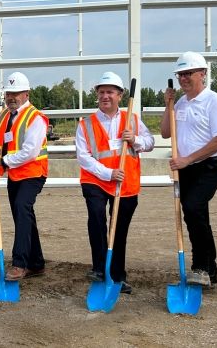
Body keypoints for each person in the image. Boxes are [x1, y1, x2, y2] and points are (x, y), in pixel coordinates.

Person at [75, 71, 155, 294]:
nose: (105, 96)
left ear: (120, 95)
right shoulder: (86, 124)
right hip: (96, 181)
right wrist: (107, 173)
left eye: (110, 92)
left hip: (125, 184)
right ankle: (100, 269)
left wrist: (135, 140)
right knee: (97, 218)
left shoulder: (133, 121)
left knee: (118, 230)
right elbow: (83, 157)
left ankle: (118, 276)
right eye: (101, 92)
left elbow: (150, 142)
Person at [161, 51, 217, 287]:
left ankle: (202, 266)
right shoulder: (180, 102)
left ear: (203, 74)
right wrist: (168, 105)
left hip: (210, 166)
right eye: (180, 75)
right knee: (194, 215)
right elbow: (165, 133)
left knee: (192, 207)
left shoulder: (214, 101)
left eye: (188, 73)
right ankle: (208, 270)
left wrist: (187, 159)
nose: (183, 79)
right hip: (187, 168)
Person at [0, 71, 49, 281]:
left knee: (21, 208)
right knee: (23, 215)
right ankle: (36, 263)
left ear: (26, 94)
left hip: (33, 172)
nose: (11, 97)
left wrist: (2, 161)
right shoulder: (3, 115)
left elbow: (30, 151)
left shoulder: (35, 118)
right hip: (15, 174)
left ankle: (20, 263)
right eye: (9, 93)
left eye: (16, 93)